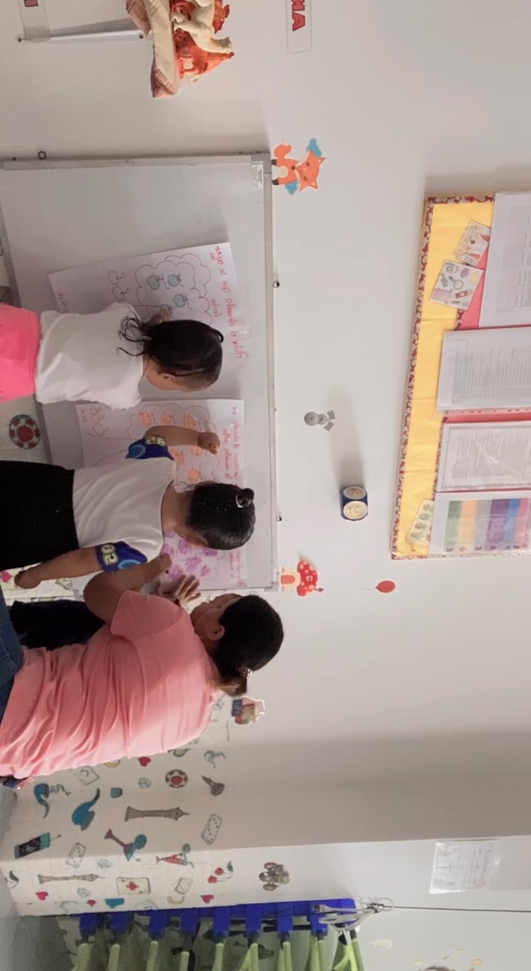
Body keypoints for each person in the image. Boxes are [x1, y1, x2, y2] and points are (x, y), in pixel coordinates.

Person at [0, 555, 284, 780]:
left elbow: (96, 592)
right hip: (15, 759)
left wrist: (149, 569)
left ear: (216, 631)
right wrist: (163, 606)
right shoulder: (194, 724)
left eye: (217, 604)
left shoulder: (172, 625)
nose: (208, 600)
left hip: (15, 696)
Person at [1, 422, 256, 585]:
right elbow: (84, 559)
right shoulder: (145, 548)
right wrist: (36, 575)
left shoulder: (159, 464)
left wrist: (198, 437)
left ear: (205, 484)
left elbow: (157, 434)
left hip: (43, 484)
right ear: (196, 541)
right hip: (41, 536)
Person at [0, 302, 223, 407]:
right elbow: (126, 399)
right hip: (18, 375)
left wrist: (155, 321)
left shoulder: (124, 313)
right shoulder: (124, 393)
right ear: (167, 377)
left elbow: (119, 318)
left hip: (19, 323)